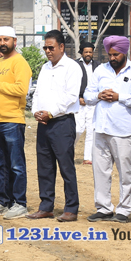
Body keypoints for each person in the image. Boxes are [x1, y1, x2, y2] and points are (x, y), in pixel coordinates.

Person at [83, 35, 131, 223]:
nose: (112, 58)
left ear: (125, 52)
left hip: (124, 130)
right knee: (100, 171)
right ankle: (104, 208)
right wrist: (99, 95)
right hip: (101, 128)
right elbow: (87, 95)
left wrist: (119, 97)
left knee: (126, 173)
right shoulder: (101, 70)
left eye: (116, 54)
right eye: (110, 54)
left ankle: (124, 210)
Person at [28, 30, 83, 222]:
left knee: (66, 167)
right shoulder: (45, 68)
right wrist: (36, 111)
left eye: (51, 47)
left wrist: (50, 112)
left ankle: (71, 208)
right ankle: (46, 206)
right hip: (44, 123)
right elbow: (37, 93)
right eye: (45, 47)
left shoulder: (72, 67)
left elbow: (71, 97)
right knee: (44, 167)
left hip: (62, 123)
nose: (47, 51)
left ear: (61, 47)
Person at [0, 26, 32, 220]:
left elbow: (21, 89)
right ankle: (2, 201)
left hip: (12, 120)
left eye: (6, 39)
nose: (2, 43)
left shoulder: (20, 63)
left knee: (16, 165)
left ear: (14, 41)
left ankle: (19, 203)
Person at [76, 40, 98, 165]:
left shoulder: (98, 66)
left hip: (93, 103)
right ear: (82, 53)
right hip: (78, 102)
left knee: (91, 130)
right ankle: (68, 153)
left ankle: (87, 157)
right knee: (77, 129)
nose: (88, 54)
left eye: (90, 52)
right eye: (86, 52)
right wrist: (78, 98)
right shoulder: (75, 65)